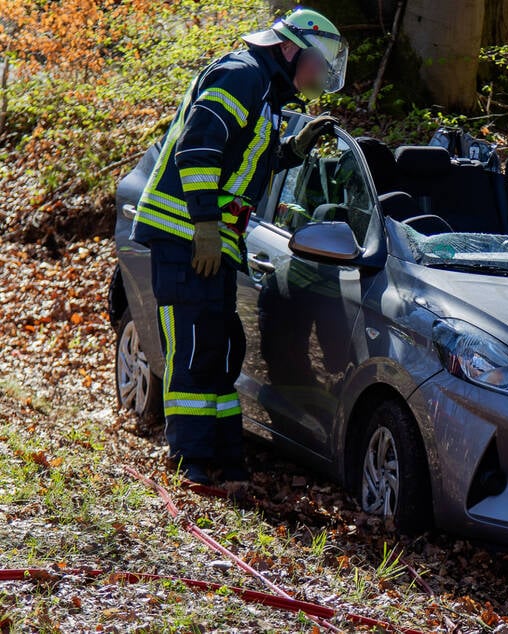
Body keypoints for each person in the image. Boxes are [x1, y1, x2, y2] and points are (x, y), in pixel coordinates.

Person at [130, 8, 348, 485]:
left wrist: (294, 149)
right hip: (184, 235)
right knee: (191, 350)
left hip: (214, 240)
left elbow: (247, 162)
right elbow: (198, 149)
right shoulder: (240, 75)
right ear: (290, 49)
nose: (323, 74)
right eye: (319, 62)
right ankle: (190, 464)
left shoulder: (268, 94)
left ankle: (225, 462)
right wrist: (205, 224)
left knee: (224, 350)